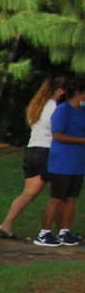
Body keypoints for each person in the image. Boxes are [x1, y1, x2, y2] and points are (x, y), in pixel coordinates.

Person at [0, 76, 68, 240]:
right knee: (58, 196)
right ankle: (62, 231)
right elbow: (57, 129)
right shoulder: (54, 107)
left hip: (32, 150)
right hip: (47, 151)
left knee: (28, 193)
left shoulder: (38, 105)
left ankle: (7, 224)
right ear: (60, 91)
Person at [34, 77, 85, 248]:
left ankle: (65, 231)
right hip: (62, 161)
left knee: (71, 199)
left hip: (77, 161)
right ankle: (44, 232)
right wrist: (81, 140)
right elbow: (57, 134)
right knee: (56, 198)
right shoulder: (63, 110)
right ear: (78, 92)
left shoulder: (82, 110)